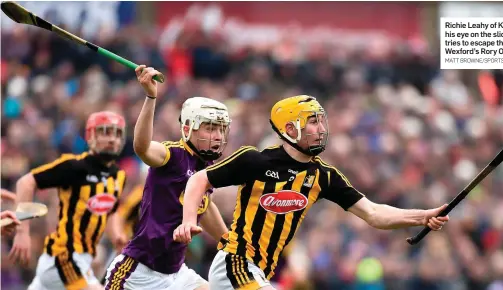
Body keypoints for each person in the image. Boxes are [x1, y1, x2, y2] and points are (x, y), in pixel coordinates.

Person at [175, 95, 450, 290]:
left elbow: (374, 213)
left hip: (259, 272)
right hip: (234, 263)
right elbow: (199, 180)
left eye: (321, 121)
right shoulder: (254, 161)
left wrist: (422, 216)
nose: (321, 129)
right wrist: (189, 220)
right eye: (312, 122)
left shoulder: (323, 176)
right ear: (290, 129)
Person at [104, 65, 231, 290]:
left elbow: (204, 203)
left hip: (176, 274)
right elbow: (141, 148)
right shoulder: (172, 155)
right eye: (210, 128)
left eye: (221, 129)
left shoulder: (205, 167)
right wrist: (151, 97)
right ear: (188, 128)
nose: (218, 136)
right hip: (137, 273)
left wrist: (228, 241)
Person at [9, 111, 128, 290]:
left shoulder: (118, 176)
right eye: (105, 132)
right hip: (64, 256)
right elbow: (25, 183)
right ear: (90, 136)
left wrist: (117, 236)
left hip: (79, 260)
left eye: (117, 133)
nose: (112, 139)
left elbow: (110, 210)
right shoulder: (74, 167)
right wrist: (22, 232)